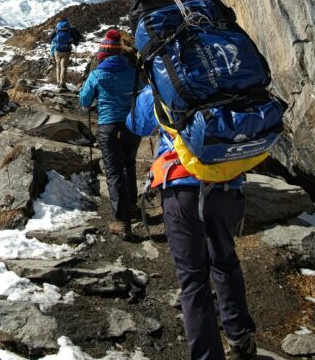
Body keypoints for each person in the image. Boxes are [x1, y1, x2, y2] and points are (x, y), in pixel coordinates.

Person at [127, 86, 257, 360]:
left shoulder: (164, 79)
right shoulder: (222, 74)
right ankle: (240, 339)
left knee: (193, 278)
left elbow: (137, 124)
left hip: (181, 185)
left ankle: (207, 355)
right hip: (227, 183)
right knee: (225, 260)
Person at [79, 29, 139, 238]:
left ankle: (122, 221)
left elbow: (84, 101)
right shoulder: (133, 72)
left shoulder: (97, 74)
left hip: (108, 126)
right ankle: (132, 205)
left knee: (114, 172)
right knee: (129, 163)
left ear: (102, 55)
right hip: (132, 125)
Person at [48, 18, 75, 89]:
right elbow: (73, 40)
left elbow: (53, 44)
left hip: (57, 51)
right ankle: (63, 83)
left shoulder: (57, 31)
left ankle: (58, 82)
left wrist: (52, 55)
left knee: (58, 66)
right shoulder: (68, 30)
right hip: (66, 50)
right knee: (64, 67)